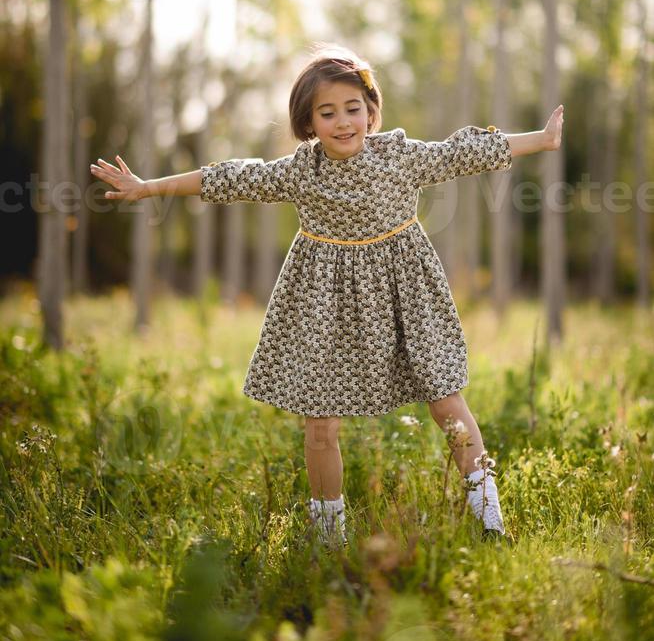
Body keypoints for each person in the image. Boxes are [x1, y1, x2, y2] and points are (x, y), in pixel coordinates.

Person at [90, 43, 564, 549]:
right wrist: (148, 187)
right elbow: (226, 178)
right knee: (319, 423)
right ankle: (328, 538)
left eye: (353, 109)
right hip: (324, 302)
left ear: (372, 112)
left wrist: (542, 139)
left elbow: (462, 152)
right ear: (308, 122)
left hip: (407, 293)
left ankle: (489, 516)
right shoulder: (301, 171)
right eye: (328, 112)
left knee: (447, 401)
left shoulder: (399, 156)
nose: (343, 122)